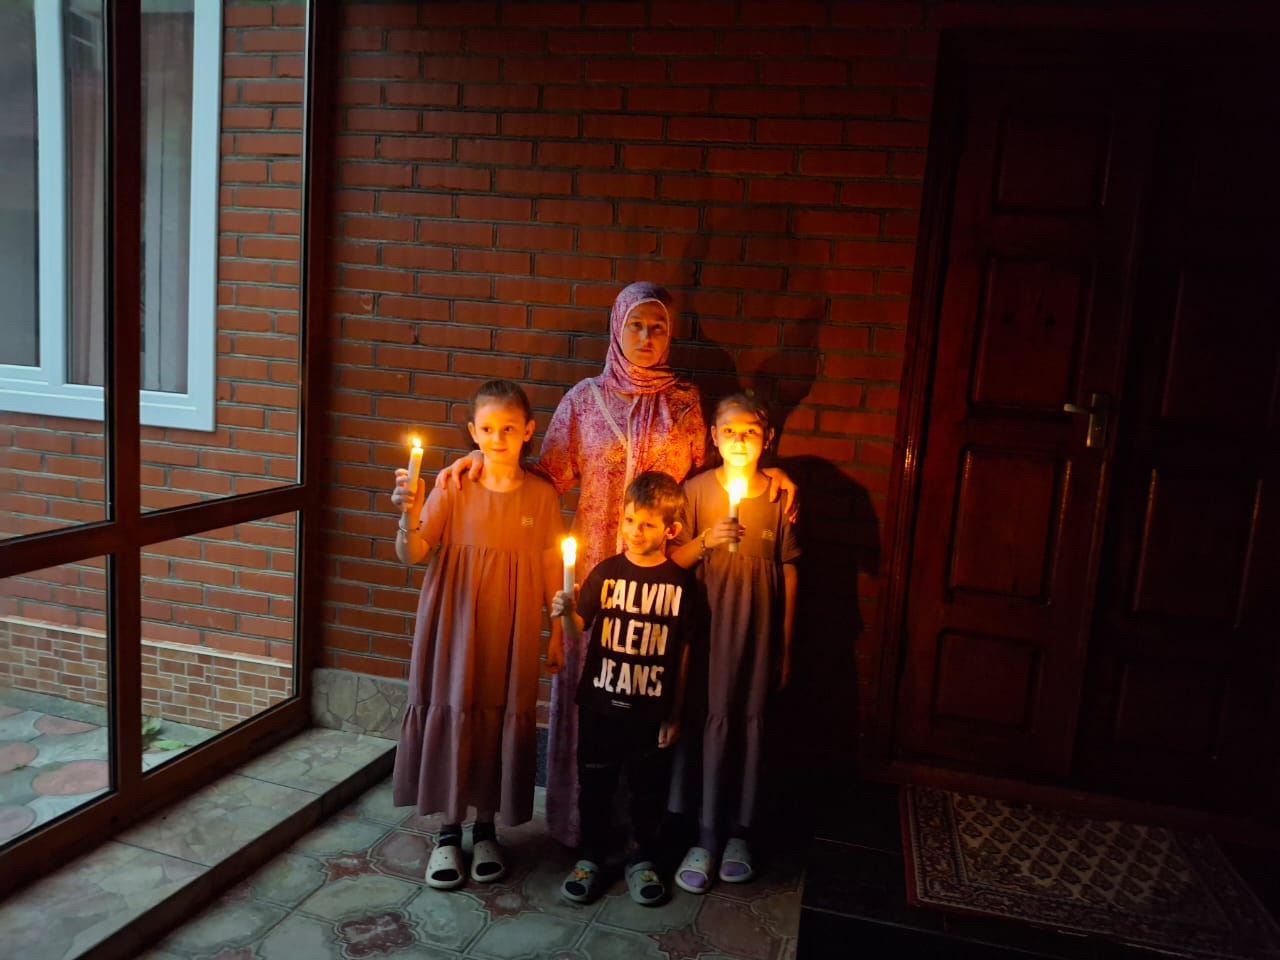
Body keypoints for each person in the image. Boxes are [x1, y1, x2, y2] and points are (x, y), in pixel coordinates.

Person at [435, 281, 797, 847]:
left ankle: (641, 834)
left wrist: (770, 472)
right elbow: (544, 476)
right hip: (596, 567)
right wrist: (478, 458)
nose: (646, 337)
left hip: (660, 574)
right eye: (636, 325)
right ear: (617, 328)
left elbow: (715, 475)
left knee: (647, 687)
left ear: (670, 335)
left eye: (658, 327)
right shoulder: (584, 399)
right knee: (592, 692)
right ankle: (582, 826)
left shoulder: (685, 403)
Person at [389, 380, 565, 890]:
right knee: (455, 705)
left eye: (509, 428)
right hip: (454, 620)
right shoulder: (453, 485)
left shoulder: (541, 495)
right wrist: (407, 512)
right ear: (472, 431)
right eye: (487, 429)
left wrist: (558, 630)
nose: (497, 438)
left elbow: (552, 564)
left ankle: (485, 827)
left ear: (528, 430)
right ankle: (448, 831)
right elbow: (413, 552)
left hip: (511, 626)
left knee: (498, 708)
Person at [667, 392, 800, 893]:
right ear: (713, 437)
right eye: (729, 431)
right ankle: (702, 834)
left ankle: (740, 832)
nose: (739, 440)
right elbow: (674, 561)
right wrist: (706, 541)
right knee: (704, 720)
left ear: (768, 438)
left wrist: (784, 643)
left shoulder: (780, 496)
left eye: (750, 432)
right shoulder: (696, 491)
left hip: (757, 634)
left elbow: (789, 570)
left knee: (748, 723)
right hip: (706, 633)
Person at [549, 471, 694, 906]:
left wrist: (675, 712)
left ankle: (642, 858)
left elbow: (685, 653)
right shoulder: (606, 572)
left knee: (648, 788)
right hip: (600, 706)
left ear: (671, 530)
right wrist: (565, 611)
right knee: (596, 785)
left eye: (647, 524)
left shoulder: (681, 584)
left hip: (651, 710)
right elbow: (577, 628)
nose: (634, 531)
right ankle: (591, 856)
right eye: (630, 520)